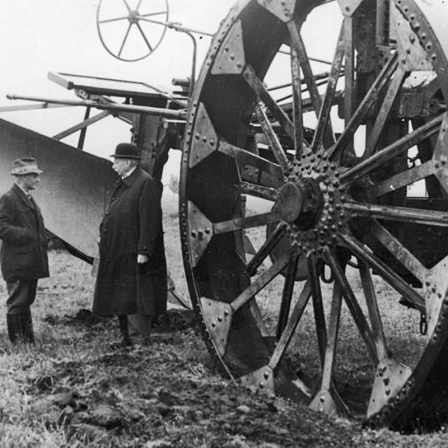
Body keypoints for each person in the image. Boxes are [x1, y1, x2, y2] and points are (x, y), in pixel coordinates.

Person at [93, 143, 167, 347]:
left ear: (128, 162)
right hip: (119, 250)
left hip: (133, 252)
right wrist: (103, 234)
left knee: (136, 297)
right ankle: (126, 339)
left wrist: (144, 251)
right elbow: (114, 211)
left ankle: (139, 342)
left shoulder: (145, 183)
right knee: (121, 295)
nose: (113, 165)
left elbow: (150, 219)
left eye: (116, 161)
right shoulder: (126, 182)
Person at [0, 157, 49, 344]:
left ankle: (27, 340)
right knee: (17, 300)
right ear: (22, 177)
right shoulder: (9, 198)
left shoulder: (27, 197)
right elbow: (1, 226)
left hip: (28, 261)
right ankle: (18, 342)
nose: (38, 179)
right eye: (34, 175)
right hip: (17, 261)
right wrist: (26, 235)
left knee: (26, 299)